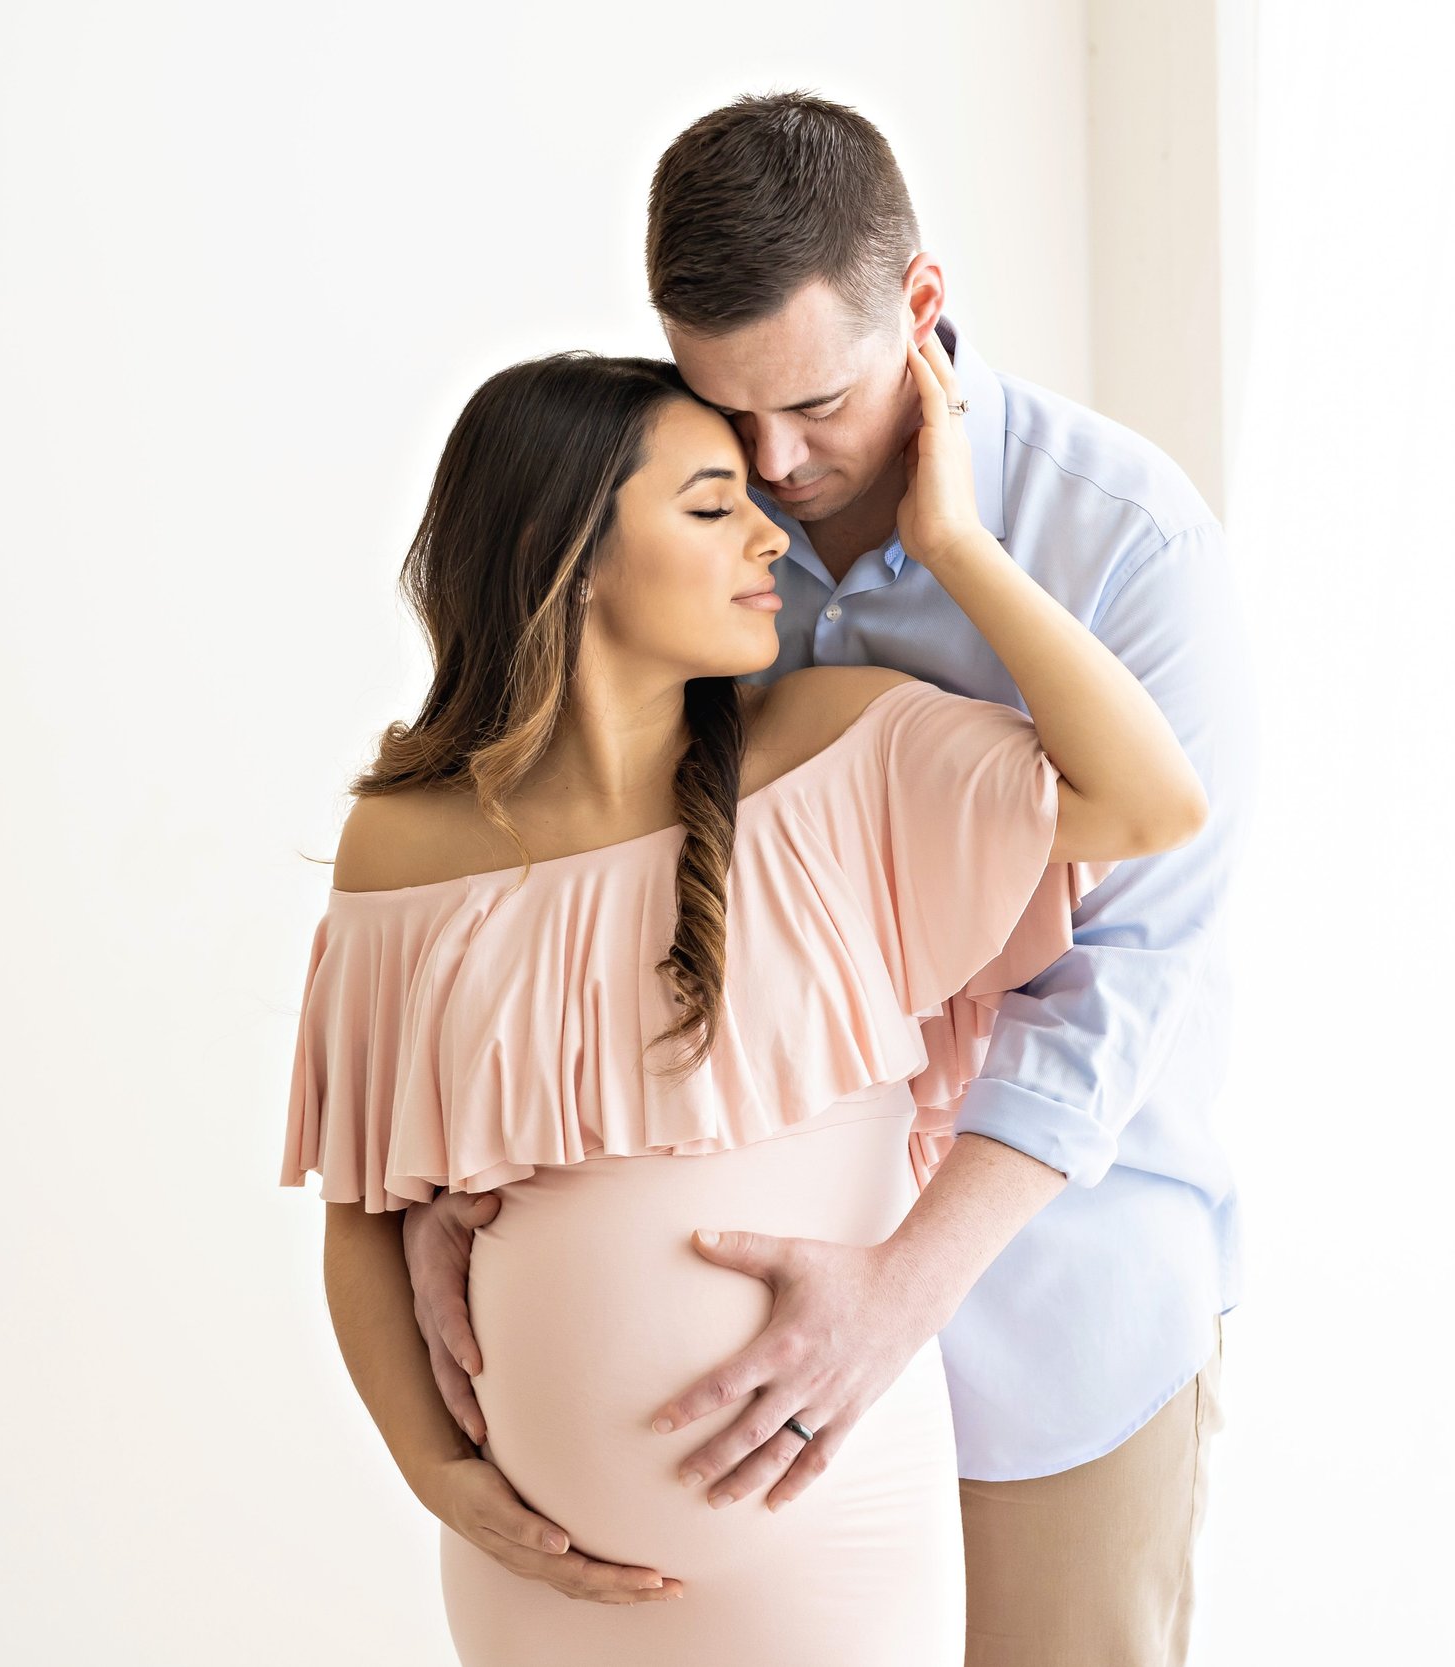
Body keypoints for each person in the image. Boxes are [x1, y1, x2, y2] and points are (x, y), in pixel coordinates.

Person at [399, 93, 1259, 1666]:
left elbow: (1132, 973)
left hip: (1053, 1312)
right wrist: (484, 1165)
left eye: (816, 404)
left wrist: (897, 1295)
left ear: (920, 307)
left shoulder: (1129, 544)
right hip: (743, 1375)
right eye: (733, 417)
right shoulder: (696, 529)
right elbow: (620, 879)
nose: (779, 468)